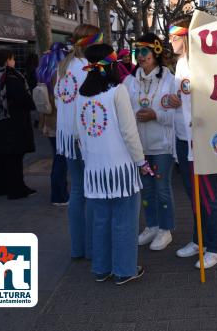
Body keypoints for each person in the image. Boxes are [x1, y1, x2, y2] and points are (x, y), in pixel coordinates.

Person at [77, 43, 151, 285]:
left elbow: (81, 135)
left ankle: (101, 268)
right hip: (120, 169)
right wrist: (141, 161)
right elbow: (129, 133)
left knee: (100, 222)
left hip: (95, 170)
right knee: (125, 221)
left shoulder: (82, 94)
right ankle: (124, 269)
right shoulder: (117, 91)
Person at [167, 17, 217, 269]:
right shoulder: (180, 64)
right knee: (193, 197)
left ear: (187, 37)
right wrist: (174, 100)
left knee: (208, 196)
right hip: (183, 139)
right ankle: (199, 240)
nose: (170, 42)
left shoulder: (205, 64)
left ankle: (216, 247)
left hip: (202, 141)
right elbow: (183, 97)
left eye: (175, 37)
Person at [124, 33, 176, 251]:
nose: (140, 56)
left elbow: (176, 115)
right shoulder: (129, 81)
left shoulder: (170, 80)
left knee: (162, 189)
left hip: (161, 146)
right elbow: (123, 110)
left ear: (155, 53)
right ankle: (152, 225)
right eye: (137, 51)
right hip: (139, 148)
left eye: (144, 51)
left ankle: (166, 229)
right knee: (146, 189)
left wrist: (156, 115)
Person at [55, 24, 102, 259]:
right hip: (85, 137)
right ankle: (94, 248)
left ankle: (77, 247)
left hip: (67, 136)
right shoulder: (87, 68)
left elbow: (58, 100)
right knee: (91, 191)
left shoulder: (63, 67)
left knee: (77, 191)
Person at [0, 49, 36, 200]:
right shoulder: (10, 76)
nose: (14, 62)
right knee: (14, 157)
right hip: (13, 122)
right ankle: (16, 189)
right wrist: (32, 103)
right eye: (13, 59)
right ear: (7, 60)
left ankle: (0, 187)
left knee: (1, 156)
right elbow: (22, 98)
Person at [36, 43, 70, 205]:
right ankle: (59, 196)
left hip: (48, 122)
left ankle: (59, 193)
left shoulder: (42, 72)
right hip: (60, 123)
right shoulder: (60, 74)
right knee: (60, 161)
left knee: (58, 159)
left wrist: (42, 124)